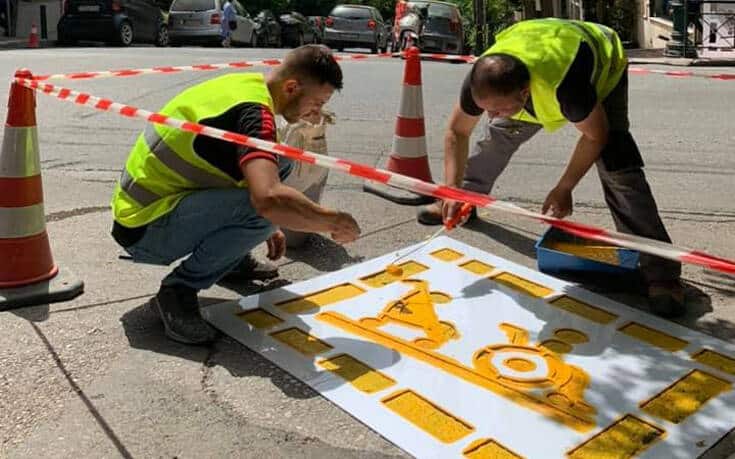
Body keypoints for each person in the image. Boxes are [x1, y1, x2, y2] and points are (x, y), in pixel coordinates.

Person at [416, 18, 686, 318]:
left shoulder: (569, 87)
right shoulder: (483, 81)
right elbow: (457, 133)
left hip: (601, 60)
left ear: (525, 93)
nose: (489, 114)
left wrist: (564, 188)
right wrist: (451, 189)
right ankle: (462, 202)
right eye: (485, 107)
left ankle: (661, 272)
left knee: (617, 166)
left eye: (498, 108)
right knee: (497, 136)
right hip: (536, 52)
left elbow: (596, 135)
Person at [111, 45, 361, 345]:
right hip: (145, 229)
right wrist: (331, 221)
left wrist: (261, 228)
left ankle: (229, 259)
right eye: (317, 102)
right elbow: (269, 200)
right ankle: (177, 293)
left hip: (152, 209)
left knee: (280, 163)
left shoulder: (249, 88)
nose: (317, 113)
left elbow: (240, 171)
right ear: (292, 87)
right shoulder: (255, 115)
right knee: (266, 208)